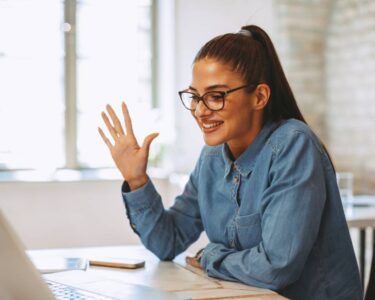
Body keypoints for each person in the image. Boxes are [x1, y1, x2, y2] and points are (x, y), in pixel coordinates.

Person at [98, 25, 363, 300]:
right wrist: (137, 180)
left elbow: (276, 267)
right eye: (195, 97)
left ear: (259, 96)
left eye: (216, 96)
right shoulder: (212, 157)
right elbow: (168, 242)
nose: (200, 111)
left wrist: (212, 256)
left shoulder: (292, 145)